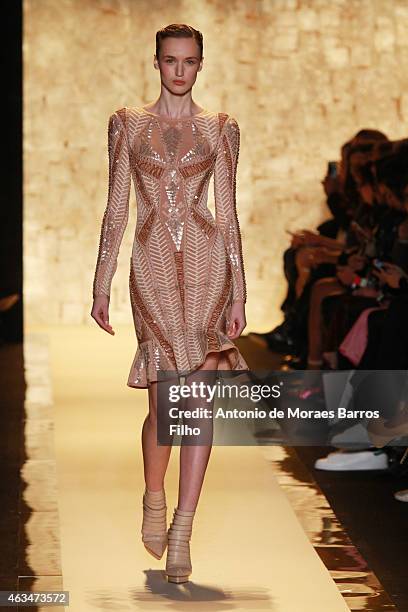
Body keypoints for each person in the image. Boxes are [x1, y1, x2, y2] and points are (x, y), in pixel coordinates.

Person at [90, 23, 249, 583]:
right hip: (151, 265)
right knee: (163, 408)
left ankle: (183, 529)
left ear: (201, 64)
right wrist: (101, 280)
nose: (179, 70)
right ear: (155, 62)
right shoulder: (126, 123)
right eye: (170, 60)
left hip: (207, 267)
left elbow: (226, 212)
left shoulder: (221, 127)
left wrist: (240, 289)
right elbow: (116, 207)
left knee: (197, 404)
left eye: (189, 61)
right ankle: (153, 497)